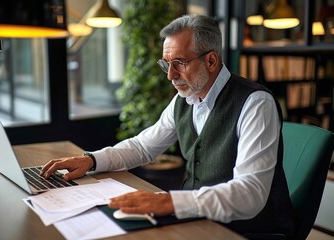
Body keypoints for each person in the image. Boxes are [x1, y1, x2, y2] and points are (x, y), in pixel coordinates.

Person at [41, 15, 295, 237]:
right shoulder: (185, 99)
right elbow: (143, 146)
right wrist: (91, 160)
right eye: (166, 63)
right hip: (197, 217)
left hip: (248, 230)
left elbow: (250, 195)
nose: (170, 76)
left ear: (211, 61)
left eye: (180, 63)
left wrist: (169, 202)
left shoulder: (255, 104)